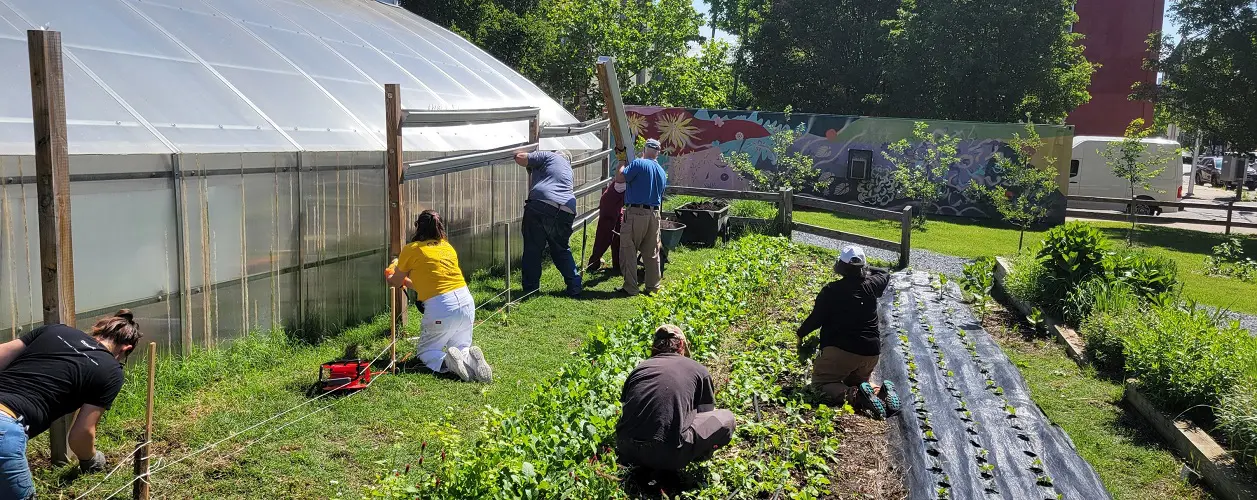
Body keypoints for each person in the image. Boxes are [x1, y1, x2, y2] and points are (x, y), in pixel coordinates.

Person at [0, 310, 142, 499]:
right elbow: (80, 434)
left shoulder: (55, 331)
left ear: (97, 329)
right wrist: (91, 459)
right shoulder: (111, 370)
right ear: (125, 349)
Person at [387, 210, 492, 383]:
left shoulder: (412, 249)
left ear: (417, 227)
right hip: (466, 302)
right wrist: (406, 282)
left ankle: (447, 362)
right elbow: (433, 283)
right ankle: (472, 361)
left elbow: (396, 281)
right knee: (460, 345)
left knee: (426, 352)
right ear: (440, 227)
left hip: (441, 308)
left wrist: (390, 274)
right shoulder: (447, 247)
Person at [796, 246, 900, 419]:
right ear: (863, 268)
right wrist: (864, 269)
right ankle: (880, 391)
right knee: (858, 381)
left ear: (840, 266)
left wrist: (800, 334)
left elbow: (816, 319)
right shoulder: (872, 284)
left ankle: (856, 396)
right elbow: (883, 272)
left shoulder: (831, 290)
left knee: (821, 385)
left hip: (841, 350)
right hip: (871, 353)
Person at [616, 324, 735, 474]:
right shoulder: (698, 370)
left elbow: (626, 410)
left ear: (655, 346)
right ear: (680, 345)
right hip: (669, 455)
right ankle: (695, 456)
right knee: (726, 418)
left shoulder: (638, 370)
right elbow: (705, 413)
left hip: (626, 450)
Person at [514, 149, 582, 298]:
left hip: (541, 206)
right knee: (561, 250)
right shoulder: (568, 171)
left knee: (533, 249)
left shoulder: (549, 156)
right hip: (566, 211)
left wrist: (516, 152)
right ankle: (575, 286)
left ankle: (530, 290)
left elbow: (520, 158)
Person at [615, 138, 668, 296]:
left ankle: (630, 288)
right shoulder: (661, 172)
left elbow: (620, 178)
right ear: (658, 152)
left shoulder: (639, 163)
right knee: (651, 252)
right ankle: (653, 287)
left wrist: (621, 161)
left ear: (645, 149)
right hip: (654, 214)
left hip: (636, 213)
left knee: (628, 249)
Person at [586, 177, 626, 273]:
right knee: (605, 235)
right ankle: (594, 263)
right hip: (610, 202)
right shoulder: (627, 173)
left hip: (618, 203)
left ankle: (618, 265)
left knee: (619, 233)